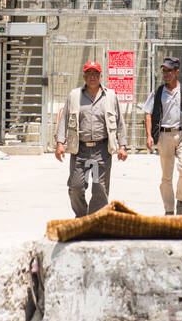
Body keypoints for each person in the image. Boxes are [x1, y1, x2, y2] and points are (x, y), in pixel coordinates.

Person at [54, 61, 127, 217]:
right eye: (89, 74)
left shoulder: (110, 96)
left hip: (102, 149)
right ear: (84, 76)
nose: (92, 77)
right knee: (76, 187)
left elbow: (120, 122)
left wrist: (122, 146)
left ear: (101, 76)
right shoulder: (74, 96)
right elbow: (64, 120)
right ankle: (81, 216)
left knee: (100, 188)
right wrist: (60, 143)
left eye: (96, 74)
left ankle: (95, 219)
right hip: (80, 149)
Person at [144, 57, 182, 215]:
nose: (166, 73)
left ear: (177, 72)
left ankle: (181, 200)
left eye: (169, 70)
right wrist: (149, 135)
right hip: (164, 136)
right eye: (164, 70)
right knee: (166, 175)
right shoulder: (158, 92)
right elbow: (148, 114)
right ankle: (169, 209)